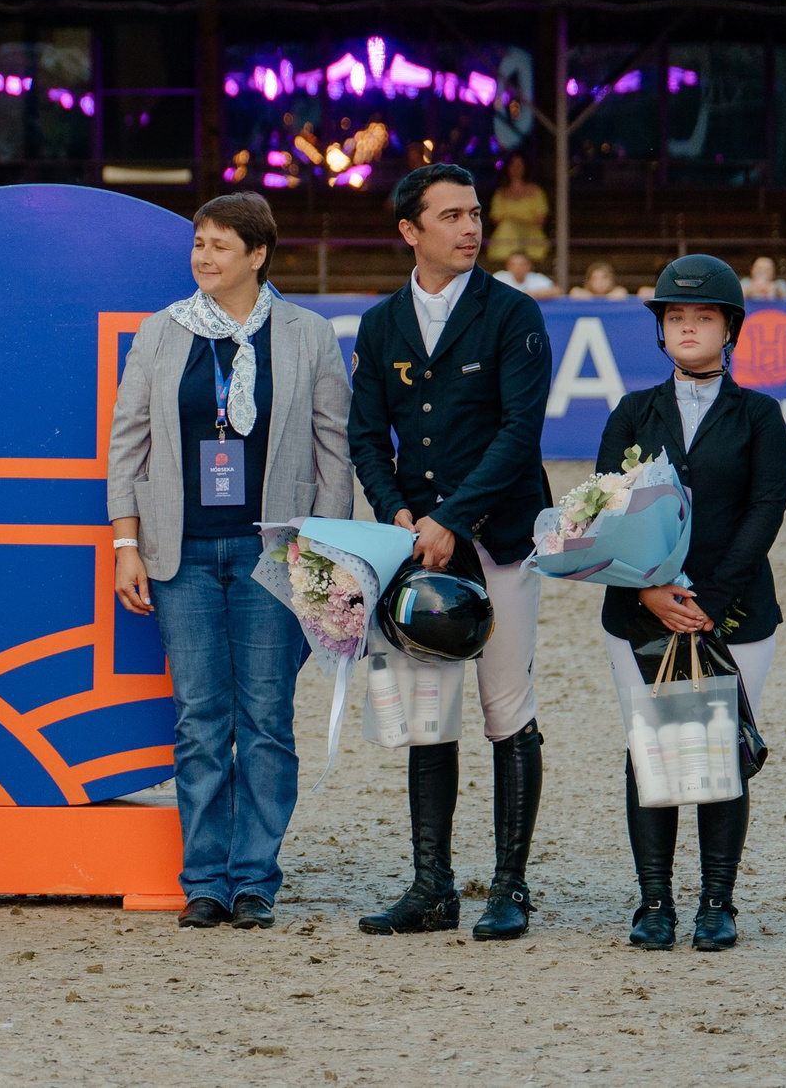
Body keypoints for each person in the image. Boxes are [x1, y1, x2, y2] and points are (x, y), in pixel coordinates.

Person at [107, 192, 352, 929]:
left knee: (267, 719)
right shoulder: (161, 332)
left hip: (273, 553)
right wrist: (125, 544)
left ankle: (254, 878)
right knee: (199, 719)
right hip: (178, 552)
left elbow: (333, 453)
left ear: (258, 254)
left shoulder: (309, 335)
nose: (203, 257)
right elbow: (128, 444)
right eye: (198, 244)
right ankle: (205, 880)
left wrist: (325, 559)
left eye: (219, 245)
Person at [349, 162, 554, 940]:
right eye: (452, 215)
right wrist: (399, 514)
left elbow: (519, 433)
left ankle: (510, 885)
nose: (471, 227)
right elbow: (367, 437)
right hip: (419, 546)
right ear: (410, 229)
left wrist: (453, 518)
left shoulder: (514, 313)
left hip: (499, 538)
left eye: (474, 213)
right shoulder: (380, 324)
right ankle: (432, 886)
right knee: (428, 715)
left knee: (507, 709)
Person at [596, 255, 786, 952]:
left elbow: (766, 508)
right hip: (639, 611)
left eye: (703, 316)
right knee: (649, 748)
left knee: (719, 747)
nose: (687, 326)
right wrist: (647, 589)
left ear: (729, 328)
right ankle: (654, 902)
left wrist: (711, 598)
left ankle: (716, 902)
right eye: (675, 316)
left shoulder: (760, 414)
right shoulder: (631, 411)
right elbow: (603, 510)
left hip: (734, 612)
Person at [486, 155, 549, 266]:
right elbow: (496, 219)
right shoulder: (500, 193)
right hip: (508, 235)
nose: (516, 168)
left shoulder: (536, 191)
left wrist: (520, 220)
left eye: (519, 165)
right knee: (508, 226)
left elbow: (541, 219)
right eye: (513, 165)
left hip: (530, 233)